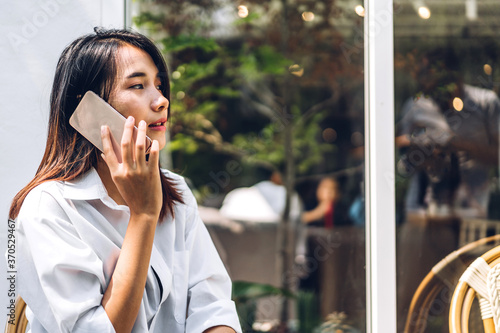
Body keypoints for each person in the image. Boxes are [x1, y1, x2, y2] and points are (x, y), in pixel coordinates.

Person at [9, 28, 242, 333]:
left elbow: (211, 307)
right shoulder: (48, 208)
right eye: (138, 85)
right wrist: (144, 214)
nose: (161, 101)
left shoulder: (175, 190)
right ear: (88, 107)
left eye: (159, 85)